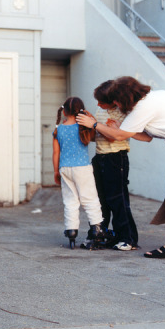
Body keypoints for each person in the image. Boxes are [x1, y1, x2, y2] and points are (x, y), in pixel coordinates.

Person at [76, 76, 165, 259]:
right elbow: (145, 136)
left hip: (116, 158)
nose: (115, 104)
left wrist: (96, 125)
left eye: (116, 100)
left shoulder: (143, 107)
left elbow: (120, 136)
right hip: (105, 157)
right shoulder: (150, 99)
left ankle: (163, 244)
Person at [91, 80, 138, 251]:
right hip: (100, 157)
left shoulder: (121, 113)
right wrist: (88, 127)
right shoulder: (100, 110)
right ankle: (102, 235)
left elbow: (113, 136)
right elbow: (96, 135)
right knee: (100, 200)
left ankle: (128, 238)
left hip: (115, 158)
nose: (98, 104)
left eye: (101, 102)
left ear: (113, 101)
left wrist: (96, 125)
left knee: (117, 199)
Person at [53, 97, 104, 249]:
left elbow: (56, 153)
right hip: (82, 168)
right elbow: (95, 131)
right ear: (81, 111)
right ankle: (97, 229)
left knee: (70, 201)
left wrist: (56, 171)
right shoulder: (84, 127)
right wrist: (90, 117)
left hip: (65, 168)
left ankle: (71, 231)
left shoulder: (58, 129)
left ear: (65, 111)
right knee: (90, 199)